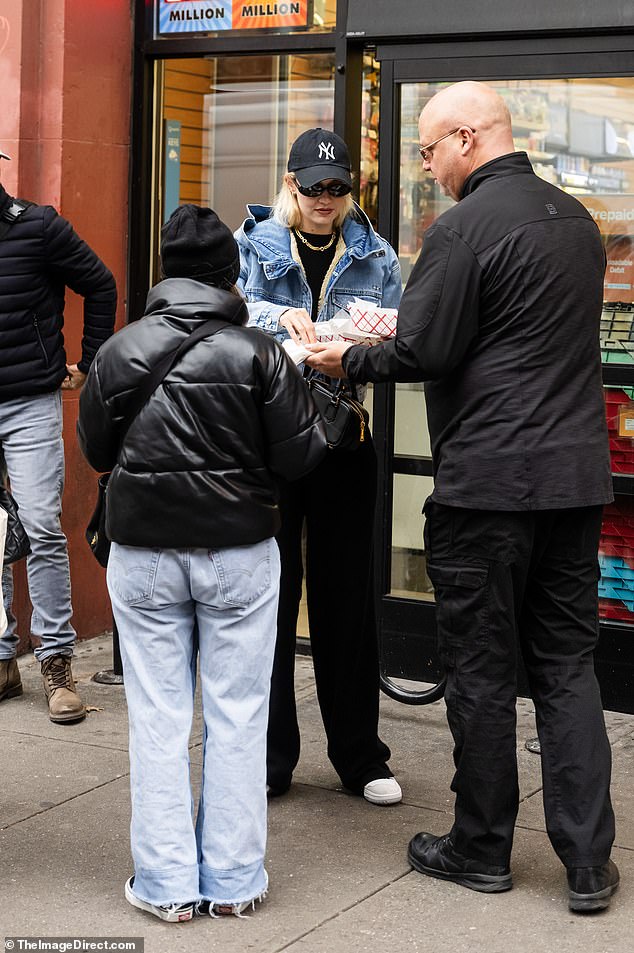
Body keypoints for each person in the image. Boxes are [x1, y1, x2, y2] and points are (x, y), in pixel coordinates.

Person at [306, 82, 619, 913]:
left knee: (481, 672)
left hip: (486, 488)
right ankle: (589, 861)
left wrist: (346, 361)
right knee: (565, 666)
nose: (426, 163)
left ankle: (481, 846)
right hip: (573, 482)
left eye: (429, 147)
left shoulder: (463, 230)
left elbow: (426, 348)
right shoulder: (576, 224)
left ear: (471, 138)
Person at [77, 204, 327, 922]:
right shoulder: (258, 351)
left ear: (165, 274)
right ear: (229, 274)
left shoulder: (121, 350)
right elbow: (300, 455)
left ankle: (164, 884)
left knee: (156, 716)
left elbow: (96, 450)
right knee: (239, 713)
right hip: (240, 552)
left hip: (145, 553)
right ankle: (234, 878)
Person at [235, 128, 403, 805]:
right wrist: (290, 318)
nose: (326, 199)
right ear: (290, 182)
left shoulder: (376, 252)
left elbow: (396, 330)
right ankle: (272, 758)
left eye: (338, 187)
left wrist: (347, 336)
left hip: (343, 438)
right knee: (268, 600)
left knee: (347, 601)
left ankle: (359, 756)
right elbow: (232, 315)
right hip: (271, 442)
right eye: (314, 186)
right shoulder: (254, 245)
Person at [0, 147, 116, 722]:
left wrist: (91, 362)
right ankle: (1, 661)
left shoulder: (37, 227)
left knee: (41, 527)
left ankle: (55, 664)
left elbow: (100, 283)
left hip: (26, 402)